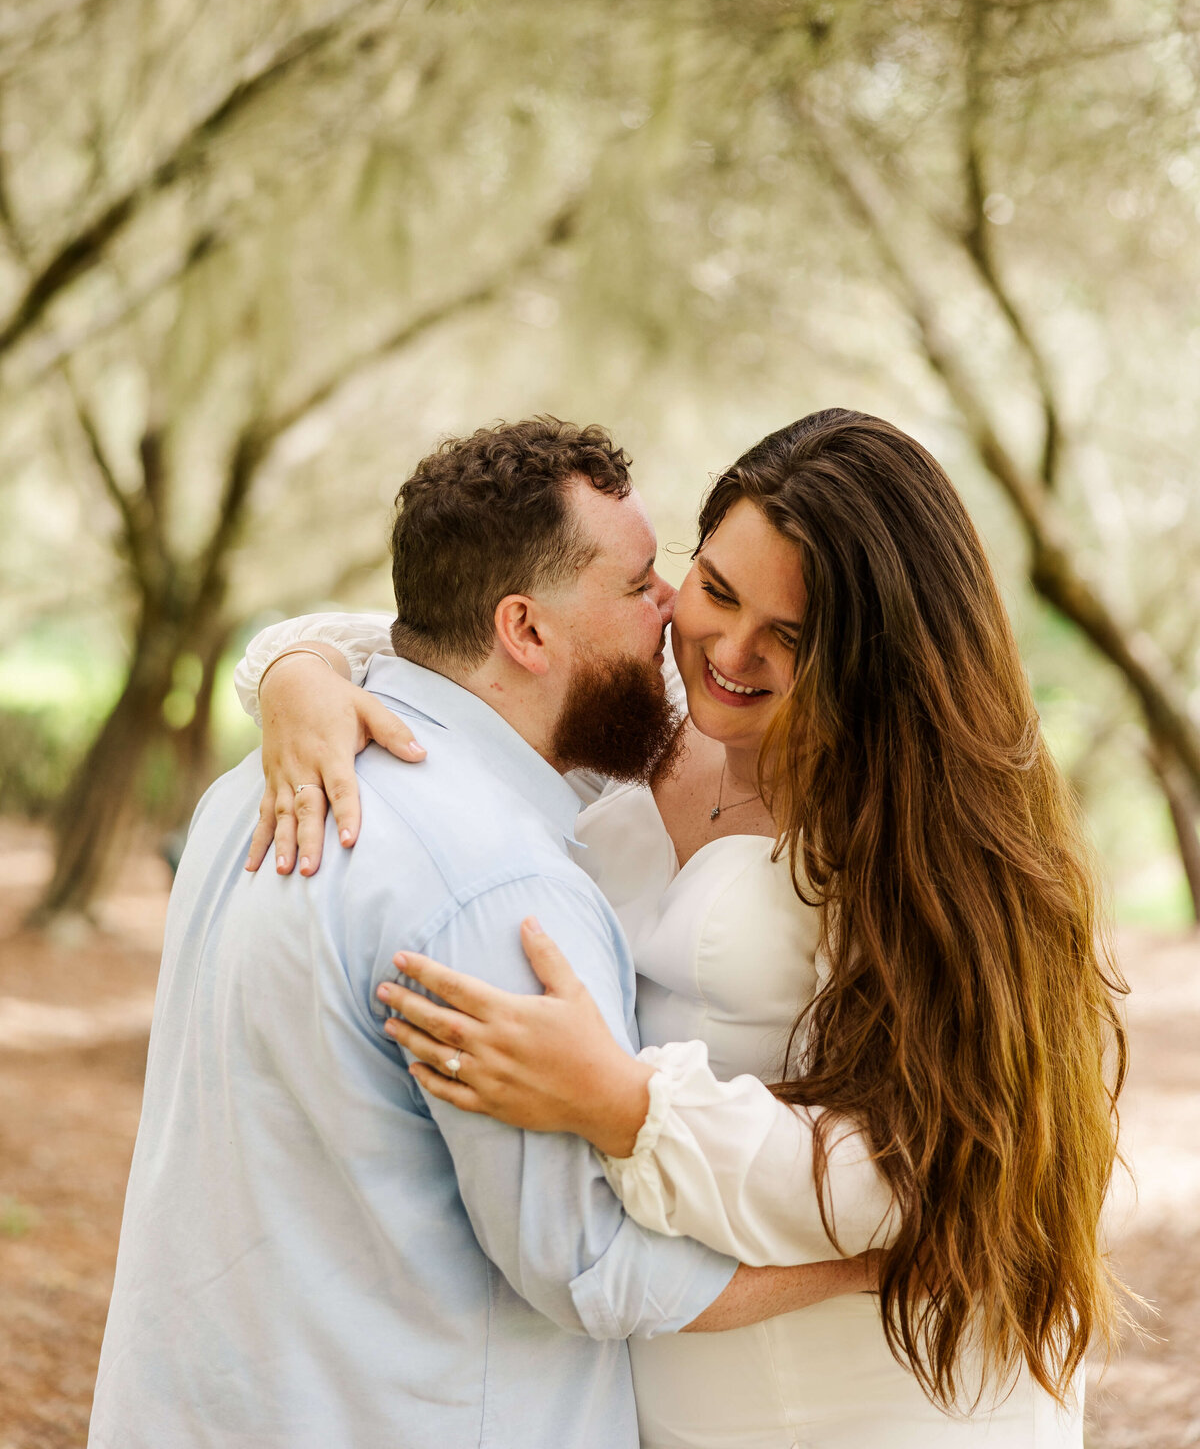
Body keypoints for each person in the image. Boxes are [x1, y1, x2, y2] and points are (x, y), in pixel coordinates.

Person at [241, 408, 1128, 1448]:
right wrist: (299, 676)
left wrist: (629, 1107)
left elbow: (932, 1162)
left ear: (876, 657)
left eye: (790, 638)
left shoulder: (922, 832)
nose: (731, 652)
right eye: (713, 587)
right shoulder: (658, 707)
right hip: (676, 1391)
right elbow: (469, 635)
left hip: (883, 1393)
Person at [88, 419, 877, 1449]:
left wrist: (299, 665)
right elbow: (588, 1265)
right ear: (527, 630)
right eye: (643, 586)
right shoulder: (505, 890)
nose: (674, 611)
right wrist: (867, 1266)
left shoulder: (252, 793)